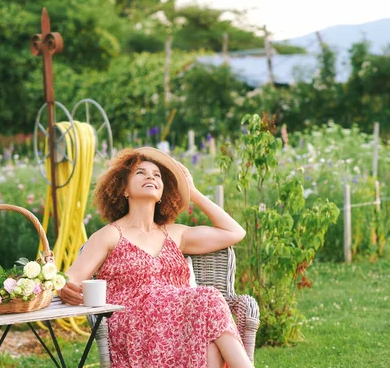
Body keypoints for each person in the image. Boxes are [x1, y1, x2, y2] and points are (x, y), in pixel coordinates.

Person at [59, 147, 254, 368]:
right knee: (208, 299)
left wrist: (192, 192)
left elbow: (235, 232)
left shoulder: (174, 234)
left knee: (207, 336)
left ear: (162, 193)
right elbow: (69, 278)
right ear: (123, 189)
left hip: (182, 323)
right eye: (140, 172)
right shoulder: (110, 235)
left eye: (157, 175)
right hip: (134, 327)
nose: (150, 176)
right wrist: (65, 288)